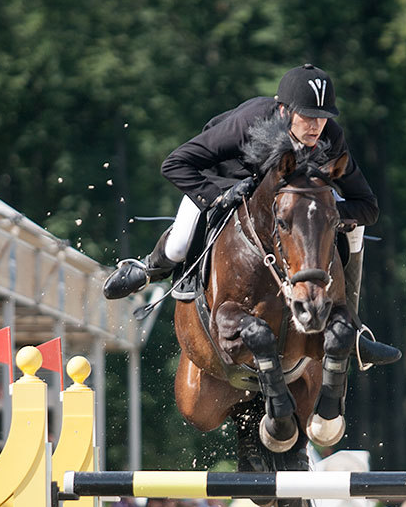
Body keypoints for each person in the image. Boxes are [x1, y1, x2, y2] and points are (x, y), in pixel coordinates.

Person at [103, 63, 379, 336]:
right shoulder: (249, 122)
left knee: (357, 229)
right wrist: (217, 196)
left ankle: (352, 326)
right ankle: (150, 269)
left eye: (323, 116)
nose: (317, 125)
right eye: (308, 116)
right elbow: (175, 163)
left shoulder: (331, 137)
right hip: (220, 183)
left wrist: (320, 215)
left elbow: (367, 206)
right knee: (178, 246)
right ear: (284, 111)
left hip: (292, 205)